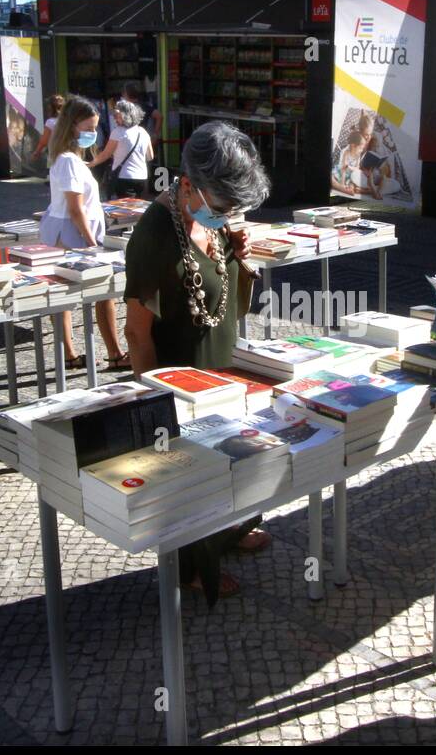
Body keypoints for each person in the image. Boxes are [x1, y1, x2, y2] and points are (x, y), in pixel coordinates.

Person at [123, 121, 270, 604]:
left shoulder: (212, 215)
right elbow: (137, 333)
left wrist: (237, 254)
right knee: (196, 472)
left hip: (222, 365)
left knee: (234, 458)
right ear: (186, 185)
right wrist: (152, 408)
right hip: (181, 374)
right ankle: (190, 570)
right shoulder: (154, 236)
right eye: (222, 207)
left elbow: (228, 297)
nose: (229, 216)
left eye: (235, 208)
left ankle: (230, 534)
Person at [42, 95, 126, 370]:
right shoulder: (67, 160)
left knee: (85, 295)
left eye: (94, 129)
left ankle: (96, 353)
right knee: (88, 295)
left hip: (70, 231)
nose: (92, 134)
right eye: (88, 129)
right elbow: (75, 208)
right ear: (71, 126)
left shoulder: (69, 158)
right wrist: (92, 246)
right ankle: (101, 354)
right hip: (73, 234)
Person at [90, 99, 153, 197]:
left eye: (116, 116)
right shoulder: (143, 132)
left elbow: (106, 154)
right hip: (142, 178)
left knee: (124, 210)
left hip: (123, 177)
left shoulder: (118, 132)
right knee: (138, 209)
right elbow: (150, 156)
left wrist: (91, 164)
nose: (114, 119)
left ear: (125, 116)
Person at [31, 94, 66, 165]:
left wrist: (36, 153)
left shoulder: (50, 122)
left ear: (51, 107)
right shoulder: (68, 121)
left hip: (55, 155)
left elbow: (43, 141)